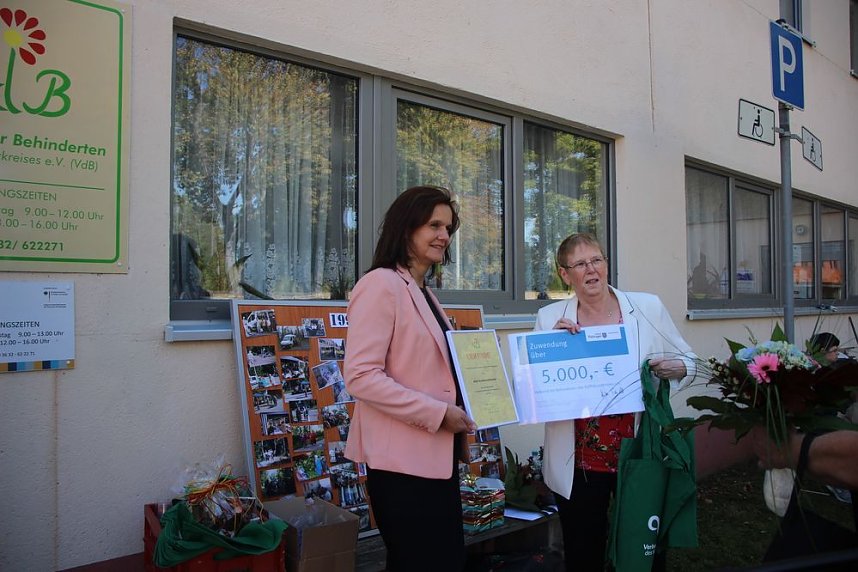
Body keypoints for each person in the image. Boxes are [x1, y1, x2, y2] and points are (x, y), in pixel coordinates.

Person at [534, 232, 698, 572]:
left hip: (638, 454)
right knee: (583, 553)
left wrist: (675, 367)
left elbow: (689, 360)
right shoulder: (550, 319)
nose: (591, 270)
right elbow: (538, 392)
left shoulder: (646, 307)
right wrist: (555, 348)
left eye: (597, 260)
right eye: (580, 264)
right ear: (565, 275)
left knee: (644, 551)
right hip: (579, 462)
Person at [344, 185, 476, 572]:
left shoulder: (422, 291)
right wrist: (438, 413)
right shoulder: (380, 284)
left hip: (436, 460)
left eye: (448, 228)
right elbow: (362, 377)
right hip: (402, 469)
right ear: (406, 229)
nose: (443, 236)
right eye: (433, 225)